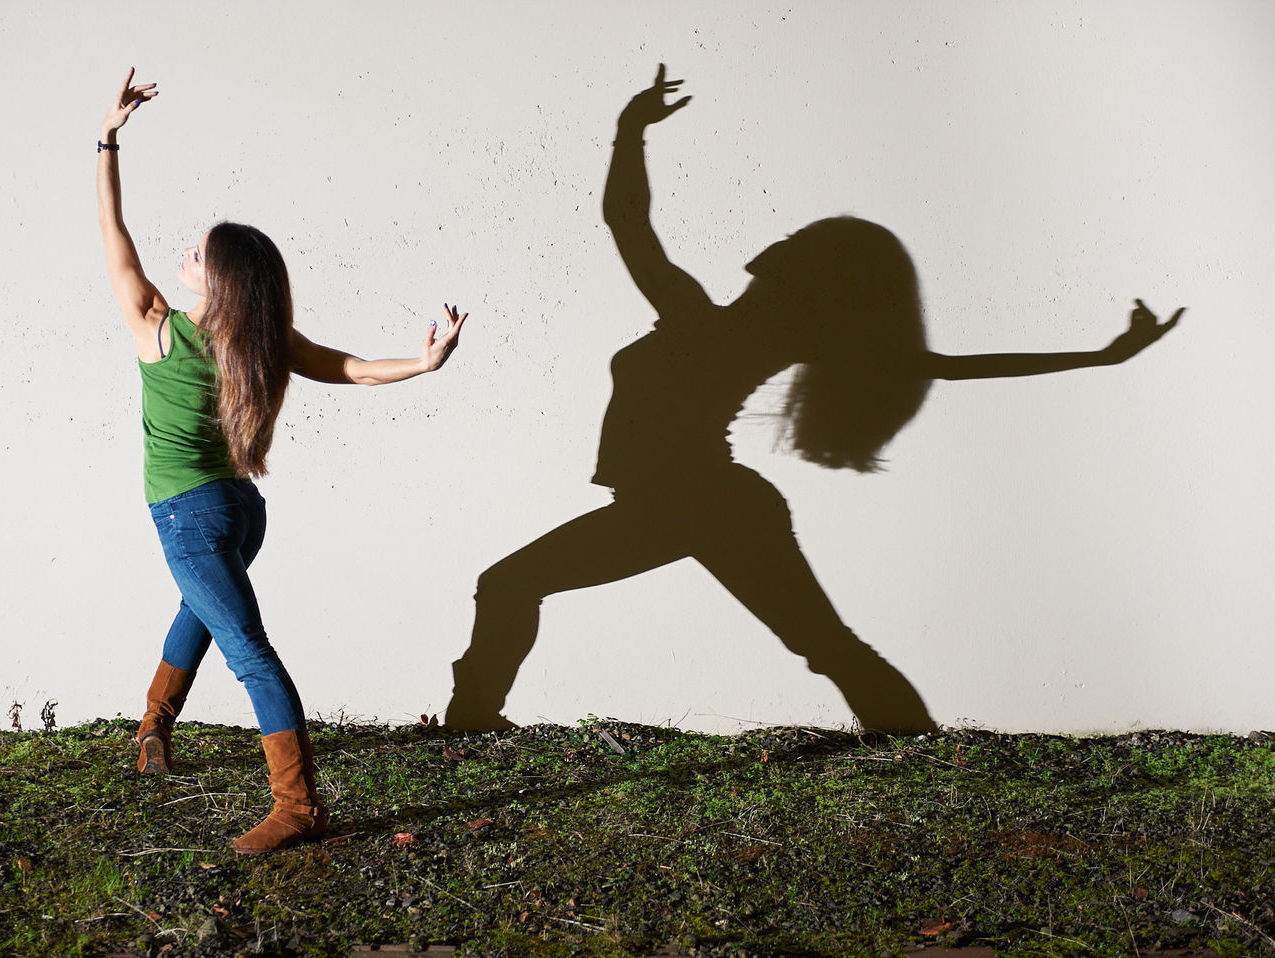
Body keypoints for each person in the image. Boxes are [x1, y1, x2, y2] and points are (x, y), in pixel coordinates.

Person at [442, 65, 1180, 732]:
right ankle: (470, 724)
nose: (779, 242)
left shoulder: (710, 322)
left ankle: (470, 726)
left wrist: (1102, 355)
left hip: (702, 502)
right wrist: (630, 129)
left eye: (796, 242)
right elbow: (626, 222)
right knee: (820, 644)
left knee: (520, 587)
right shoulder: (694, 313)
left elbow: (949, 368)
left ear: (801, 277)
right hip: (684, 504)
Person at [97, 69, 468, 854]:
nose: (185, 253)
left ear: (217, 278)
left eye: (197, 252)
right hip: (241, 512)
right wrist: (423, 362)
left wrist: (108, 140)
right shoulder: (260, 341)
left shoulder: (156, 325)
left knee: (251, 656)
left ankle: (298, 808)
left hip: (189, 518)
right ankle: (153, 728)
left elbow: (112, 230)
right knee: (202, 610)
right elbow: (353, 368)